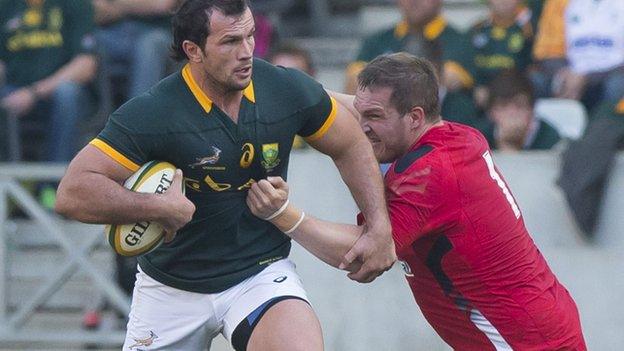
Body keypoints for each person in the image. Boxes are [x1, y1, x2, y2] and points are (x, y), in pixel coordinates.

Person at [54, 1, 395, 350]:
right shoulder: (153, 112)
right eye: (231, 42)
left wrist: (379, 223)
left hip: (258, 273)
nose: (247, 52)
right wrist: (157, 207)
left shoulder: (282, 88)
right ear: (193, 50)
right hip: (171, 287)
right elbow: (73, 192)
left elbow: (350, 141)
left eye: (250, 36)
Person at [247, 53, 587, 350]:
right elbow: (362, 109)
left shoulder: (427, 174)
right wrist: (290, 88)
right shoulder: (458, 136)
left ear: (414, 117)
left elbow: (364, 255)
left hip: (522, 341)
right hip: (538, 324)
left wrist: (281, 214)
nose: (362, 127)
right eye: (362, 113)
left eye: (375, 117)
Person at [0, 0, 97, 207]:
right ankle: (9, 195)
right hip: (12, 92)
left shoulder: (76, 5)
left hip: (57, 94)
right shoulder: (6, 6)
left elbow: (85, 65)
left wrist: (34, 92)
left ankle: (54, 187)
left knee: (67, 94)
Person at [344, 0, 475, 95]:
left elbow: (443, 78)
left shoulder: (461, 41)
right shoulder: (377, 40)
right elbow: (355, 80)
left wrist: (380, 79)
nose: (414, 2)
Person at [532, 0, 624, 111]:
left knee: (617, 85)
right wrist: (566, 75)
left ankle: (609, 126)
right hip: (569, 75)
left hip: (611, 75)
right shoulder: (559, 2)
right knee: (532, 82)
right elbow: (547, 51)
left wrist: (586, 78)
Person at [93, 0, 181, 100]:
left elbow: (161, 4)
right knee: (89, 45)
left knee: (149, 47)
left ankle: (138, 113)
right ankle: (105, 114)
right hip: (111, 34)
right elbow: (95, 9)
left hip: (157, 34)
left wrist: (114, 4)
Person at [469, 0, 535, 108]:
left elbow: (531, 67)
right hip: (481, 93)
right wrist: (478, 86)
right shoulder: (477, 29)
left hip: (515, 92)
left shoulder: (528, 31)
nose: (503, 1)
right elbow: (469, 64)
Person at [486, 70, 561, 151]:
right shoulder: (480, 137)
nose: (512, 113)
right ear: (491, 113)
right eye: (503, 106)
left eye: (519, 105)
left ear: (531, 110)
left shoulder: (550, 138)